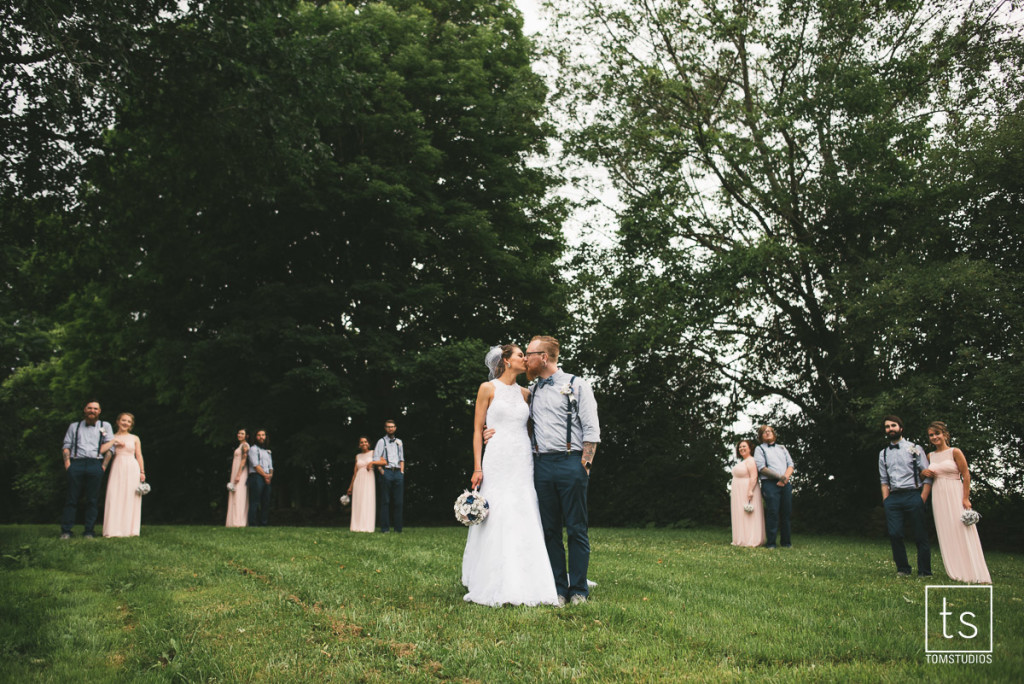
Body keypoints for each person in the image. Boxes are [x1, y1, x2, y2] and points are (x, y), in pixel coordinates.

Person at [461, 345, 560, 607]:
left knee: (523, 508)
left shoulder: (527, 393)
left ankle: (528, 576)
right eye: (519, 355)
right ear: (506, 361)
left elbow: (530, 429)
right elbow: (476, 429)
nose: (525, 359)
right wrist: (477, 467)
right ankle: (490, 576)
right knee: (497, 511)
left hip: (522, 458)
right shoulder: (487, 388)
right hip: (496, 458)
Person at [524, 335, 601, 605]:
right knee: (549, 530)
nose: (525, 358)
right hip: (541, 465)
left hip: (571, 462)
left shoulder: (577, 385)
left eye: (529, 353)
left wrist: (585, 466)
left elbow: (591, 430)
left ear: (543, 357)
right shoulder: (532, 390)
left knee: (576, 529)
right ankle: (558, 587)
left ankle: (578, 589)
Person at [920, 421, 991, 583]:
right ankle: (955, 570)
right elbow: (924, 478)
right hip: (938, 496)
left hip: (955, 492)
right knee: (946, 532)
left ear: (945, 434)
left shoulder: (955, 452)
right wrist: (923, 473)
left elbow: (966, 475)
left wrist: (965, 498)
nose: (934, 437)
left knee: (962, 530)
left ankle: (973, 571)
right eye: (931, 435)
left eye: (937, 433)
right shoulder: (930, 456)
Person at [878, 415, 932, 577]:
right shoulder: (884, 453)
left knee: (919, 534)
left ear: (901, 428)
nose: (890, 429)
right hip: (893, 498)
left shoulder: (914, 448)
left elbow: (927, 475)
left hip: (913, 495)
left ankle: (924, 571)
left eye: (893, 425)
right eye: (887, 426)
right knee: (895, 534)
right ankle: (903, 569)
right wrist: (886, 500)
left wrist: (922, 498)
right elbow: (884, 480)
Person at [60, 400, 114, 539]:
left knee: (92, 500)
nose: (92, 411)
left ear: (99, 411)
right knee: (71, 498)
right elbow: (66, 445)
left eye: (95, 409)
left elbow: (110, 447)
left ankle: (89, 531)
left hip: (96, 463)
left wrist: (103, 466)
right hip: (76, 463)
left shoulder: (105, 425)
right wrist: (68, 465)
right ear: (84, 410)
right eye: (89, 408)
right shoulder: (74, 426)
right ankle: (66, 531)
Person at [101, 412, 146, 537]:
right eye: (123, 420)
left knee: (131, 496)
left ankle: (130, 530)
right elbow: (104, 451)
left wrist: (142, 472)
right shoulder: (111, 437)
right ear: (118, 421)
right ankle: (113, 530)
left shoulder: (135, 438)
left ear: (131, 425)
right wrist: (114, 441)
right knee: (114, 495)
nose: (125, 423)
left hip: (132, 467)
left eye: (128, 421)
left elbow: (139, 455)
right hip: (117, 466)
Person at [754, 425, 794, 548]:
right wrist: (779, 477)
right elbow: (762, 468)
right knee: (773, 512)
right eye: (764, 432)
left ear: (773, 434)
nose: (767, 433)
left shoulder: (782, 448)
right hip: (770, 484)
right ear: (761, 436)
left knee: (786, 513)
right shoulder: (760, 449)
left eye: (769, 431)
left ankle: (786, 543)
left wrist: (785, 478)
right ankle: (771, 543)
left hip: (785, 483)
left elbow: (790, 464)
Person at [730, 439, 766, 547]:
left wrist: (750, 490)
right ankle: (741, 538)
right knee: (741, 514)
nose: (741, 449)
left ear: (750, 448)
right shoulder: (743, 462)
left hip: (747, 490)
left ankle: (751, 539)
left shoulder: (751, 460)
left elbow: (754, 476)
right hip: (738, 491)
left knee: (748, 514)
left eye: (744, 446)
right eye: (740, 447)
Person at [374, 419, 405, 533]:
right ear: (385, 428)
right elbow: (376, 458)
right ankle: (385, 528)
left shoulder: (399, 442)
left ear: (395, 428)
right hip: (386, 472)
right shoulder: (381, 441)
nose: (390, 428)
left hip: (397, 473)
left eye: (392, 426)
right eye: (388, 427)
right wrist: (382, 471)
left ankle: (398, 529)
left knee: (398, 502)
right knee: (385, 501)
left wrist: (402, 472)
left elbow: (402, 458)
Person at [347, 436, 383, 533]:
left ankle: (367, 526)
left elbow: (384, 461)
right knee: (358, 501)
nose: (364, 444)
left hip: (369, 478)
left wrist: (373, 462)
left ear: (369, 443)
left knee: (367, 500)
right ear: (359, 445)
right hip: (359, 478)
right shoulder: (357, 456)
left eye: (365, 442)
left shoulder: (373, 453)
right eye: (362, 442)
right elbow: (355, 472)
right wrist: (350, 486)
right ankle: (356, 526)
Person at [247, 429, 274, 527]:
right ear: (255, 437)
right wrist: (265, 475)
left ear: (266, 437)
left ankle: (264, 523)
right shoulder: (253, 449)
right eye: (259, 435)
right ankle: (253, 524)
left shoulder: (267, 451)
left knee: (266, 501)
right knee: (255, 501)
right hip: (256, 477)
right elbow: (256, 465)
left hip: (267, 478)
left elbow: (271, 467)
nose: (261, 437)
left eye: (263, 435)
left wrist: (269, 476)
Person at [225, 429, 249, 527]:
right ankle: (233, 521)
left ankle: (239, 521)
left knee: (239, 495)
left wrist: (239, 474)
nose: (239, 435)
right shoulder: (240, 445)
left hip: (241, 472)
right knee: (234, 493)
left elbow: (244, 460)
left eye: (242, 433)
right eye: (239, 433)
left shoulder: (245, 445)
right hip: (235, 471)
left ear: (247, 436)